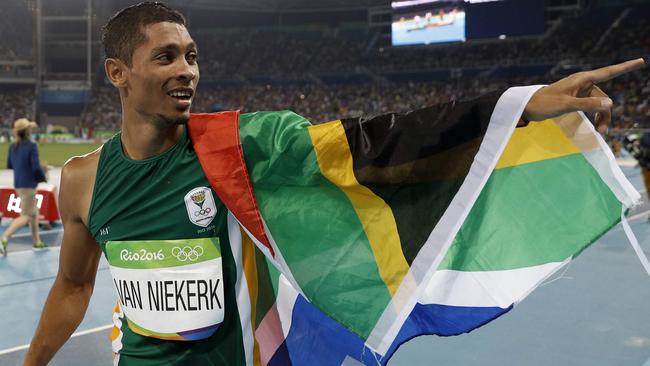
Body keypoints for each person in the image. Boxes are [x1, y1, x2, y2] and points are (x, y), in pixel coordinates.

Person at [23, 2, 645, 365]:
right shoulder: (82, 182)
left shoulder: (240, 147)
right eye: (166, 57)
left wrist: (515, 105)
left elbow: (374, 140)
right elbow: (74, 286)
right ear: (116, 73)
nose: (188, 71)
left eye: (191, 55)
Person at [1, 118, 47, 256]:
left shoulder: (12, 146)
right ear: (28, 131)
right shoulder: (32, 146)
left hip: (19, 184)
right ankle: (5, 237)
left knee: (34, 213)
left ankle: (36, 241)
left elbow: (9, 165)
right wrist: (43, 173)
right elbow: (35, 168)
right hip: (28, 185)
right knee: (27, 215)